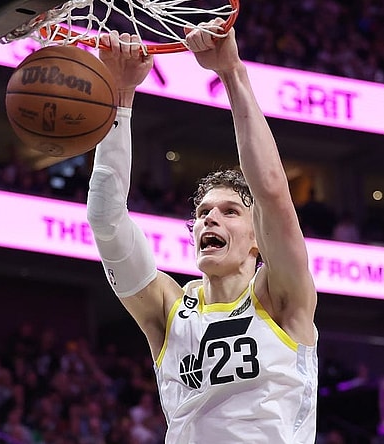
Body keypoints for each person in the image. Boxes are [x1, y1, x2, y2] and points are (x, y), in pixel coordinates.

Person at [87, 20, 318, 443]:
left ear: (256, 241)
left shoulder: (280, 295)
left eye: (230, 211)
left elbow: (272, 193)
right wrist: (120, 100)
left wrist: (231, 72)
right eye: (204, 212)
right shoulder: (168, 308)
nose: (210, 219)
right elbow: (106, 218)